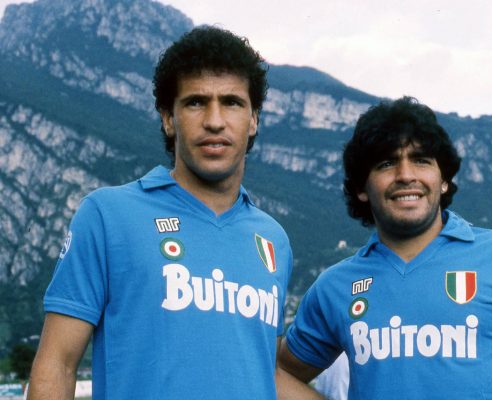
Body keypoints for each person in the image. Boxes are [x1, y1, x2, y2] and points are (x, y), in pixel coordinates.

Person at [27, 26, 320, 400]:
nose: (215, 120)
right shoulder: (107, 215)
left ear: (254, 120)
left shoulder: (273, 238)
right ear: (168, 118)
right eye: (196, 102)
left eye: (231, 102)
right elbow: (58, 365)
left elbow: (265, 371)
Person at [278, 96, 492, 399]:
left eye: (421, 160)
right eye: (386, 163)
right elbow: (277, 374)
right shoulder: (335, 286)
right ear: (361, 187)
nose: (406, 175)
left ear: (444, 179)